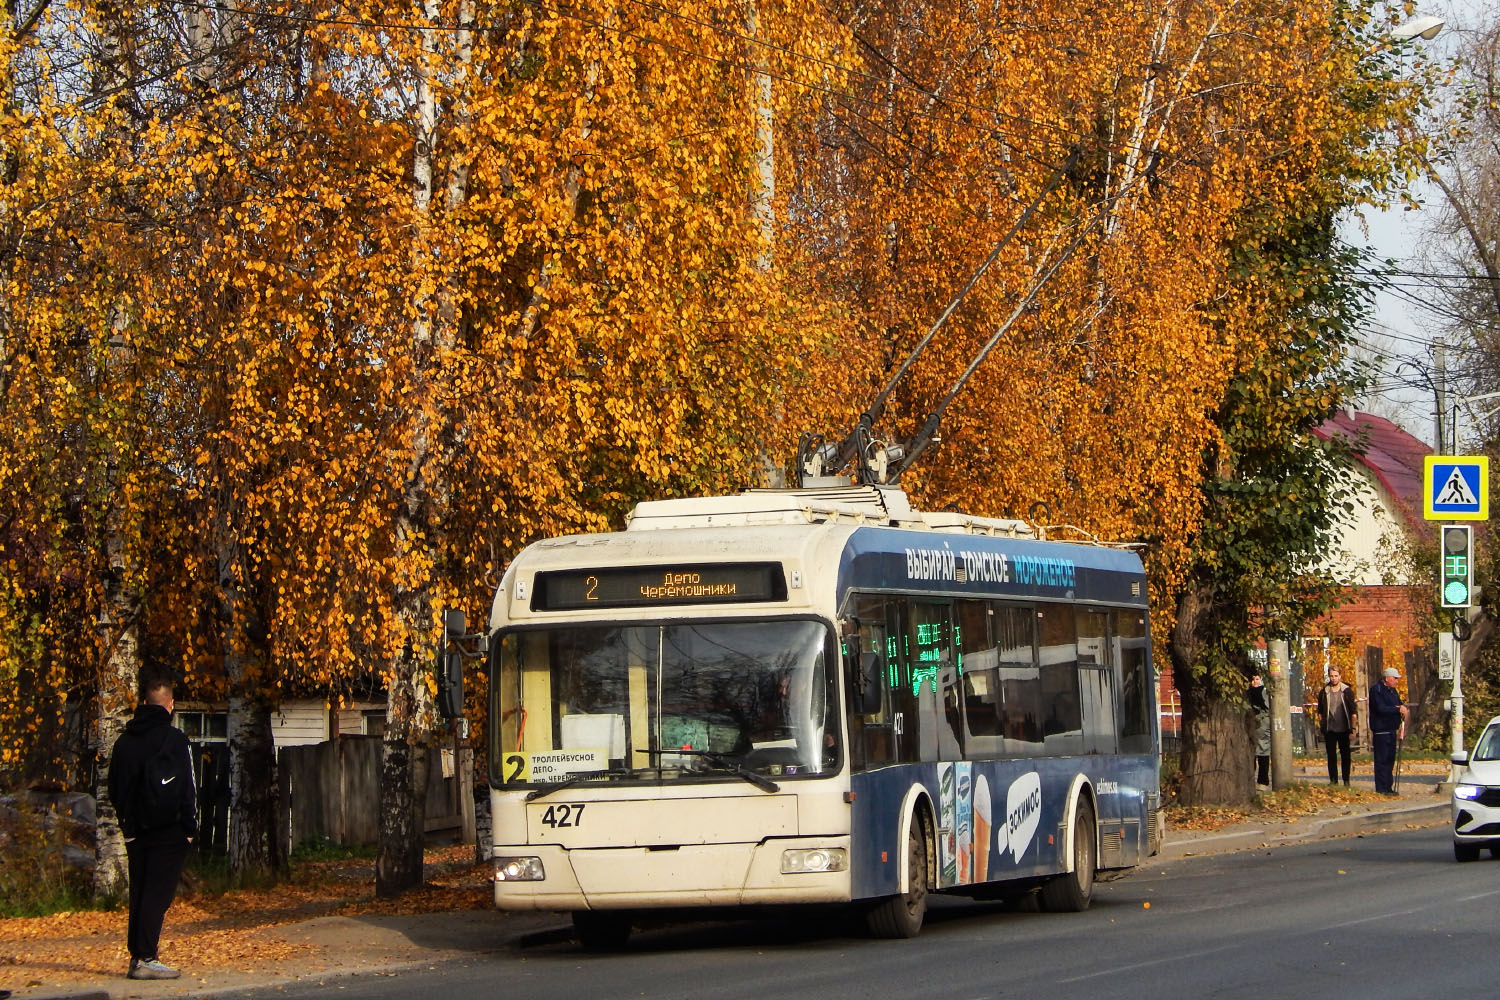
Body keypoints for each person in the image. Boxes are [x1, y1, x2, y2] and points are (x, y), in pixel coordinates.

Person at [107, 673, 197, 981]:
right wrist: (189, 828)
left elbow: (114, 789)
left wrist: (126, 823)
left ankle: (138, 955)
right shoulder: (175, 741)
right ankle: (146, 956)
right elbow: (188, 788)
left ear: (143, 703)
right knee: (157, 895)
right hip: (169, 830)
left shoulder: (124, 743)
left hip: (136, 831)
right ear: (170, 705)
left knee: (141, 892)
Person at [1368, 666, 1409, 795]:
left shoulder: (1393, 691)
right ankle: (1381, 788)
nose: (1397, 681)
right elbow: (1381, 708)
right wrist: (1397, 709)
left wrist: (1403, 710)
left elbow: (1398, 704)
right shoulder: (1377, 690)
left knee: (1390, 760)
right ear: (1387, 678)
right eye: (1395, 678)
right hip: (1381, 730)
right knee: (1382, 760)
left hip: (1392, 729)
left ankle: (1388, 787)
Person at [1317, 667, 1358, 786]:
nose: (1333, 678)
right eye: (1331, 676)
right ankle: (1333, 780)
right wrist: (1322, 723)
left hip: (1344, 728)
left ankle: (1346, 780)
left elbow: (1353, 712)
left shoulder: (1346, 691)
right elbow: (1320, 710)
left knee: (1345, 755)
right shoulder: (1324, 691)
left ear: (1340, 676)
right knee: (1331, 755)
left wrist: (1353, 729)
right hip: (1330, 728)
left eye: (1336, 676)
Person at [1249, 673, 1271, 787]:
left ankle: (1263, 781)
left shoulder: (1265, 692)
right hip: (1251, 725)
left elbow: (1267, 709)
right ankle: (1251, 780)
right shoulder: (1247, 692)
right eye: (1253, 679)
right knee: (1251, 753)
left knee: (1263, 752)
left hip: (1263, 725)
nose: (1255, 682)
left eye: (1257, 679)